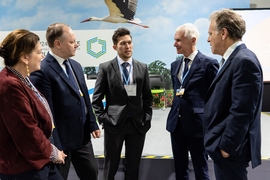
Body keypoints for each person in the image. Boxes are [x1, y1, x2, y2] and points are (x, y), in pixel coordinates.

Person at [30, 23, 100, 180]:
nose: (76, 45)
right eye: (72, 42)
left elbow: (84, 98)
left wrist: (92, 123)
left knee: (92, 173)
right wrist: (55, 147)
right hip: (61, 141)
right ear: (57, 43)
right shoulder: (42, 70)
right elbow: (47, 113)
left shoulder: (76, 66)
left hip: (82, 139)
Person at [204, 9, 263, 180]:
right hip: (226, 150)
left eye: (210, 33)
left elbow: (242, 111)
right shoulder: (234, 59)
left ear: (223, 33)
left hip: (230, 151)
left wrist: (227, 147)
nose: (208, 39)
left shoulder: (243, 61)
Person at [0, 29, 66, 180]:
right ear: (24, 57)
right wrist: (54, 153)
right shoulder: (9, 84)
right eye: (39, 52)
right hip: (24, 167)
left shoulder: (22, 79)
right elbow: (27, 130)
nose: (42, 56)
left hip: (38, 160)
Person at [92, 27, 153, 180]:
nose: (128, 46)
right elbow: (97, 98)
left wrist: (147, 118)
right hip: (114, 125)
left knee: (133, 167)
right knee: (110, 167)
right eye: (123, 43)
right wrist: (104, 119)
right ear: (115, 47)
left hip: (138, 124)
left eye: (130, 43)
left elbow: (147, 97)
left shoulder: (142, 67)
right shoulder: (105, 68)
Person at [166, 23, 219, 180]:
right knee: (180, 170)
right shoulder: (175, 65)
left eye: (178, 40)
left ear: (193, 40)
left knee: (201, 169)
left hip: (198, 126)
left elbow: (215, 97)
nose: (175, 44)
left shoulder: (209, 64)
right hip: (176, 126)